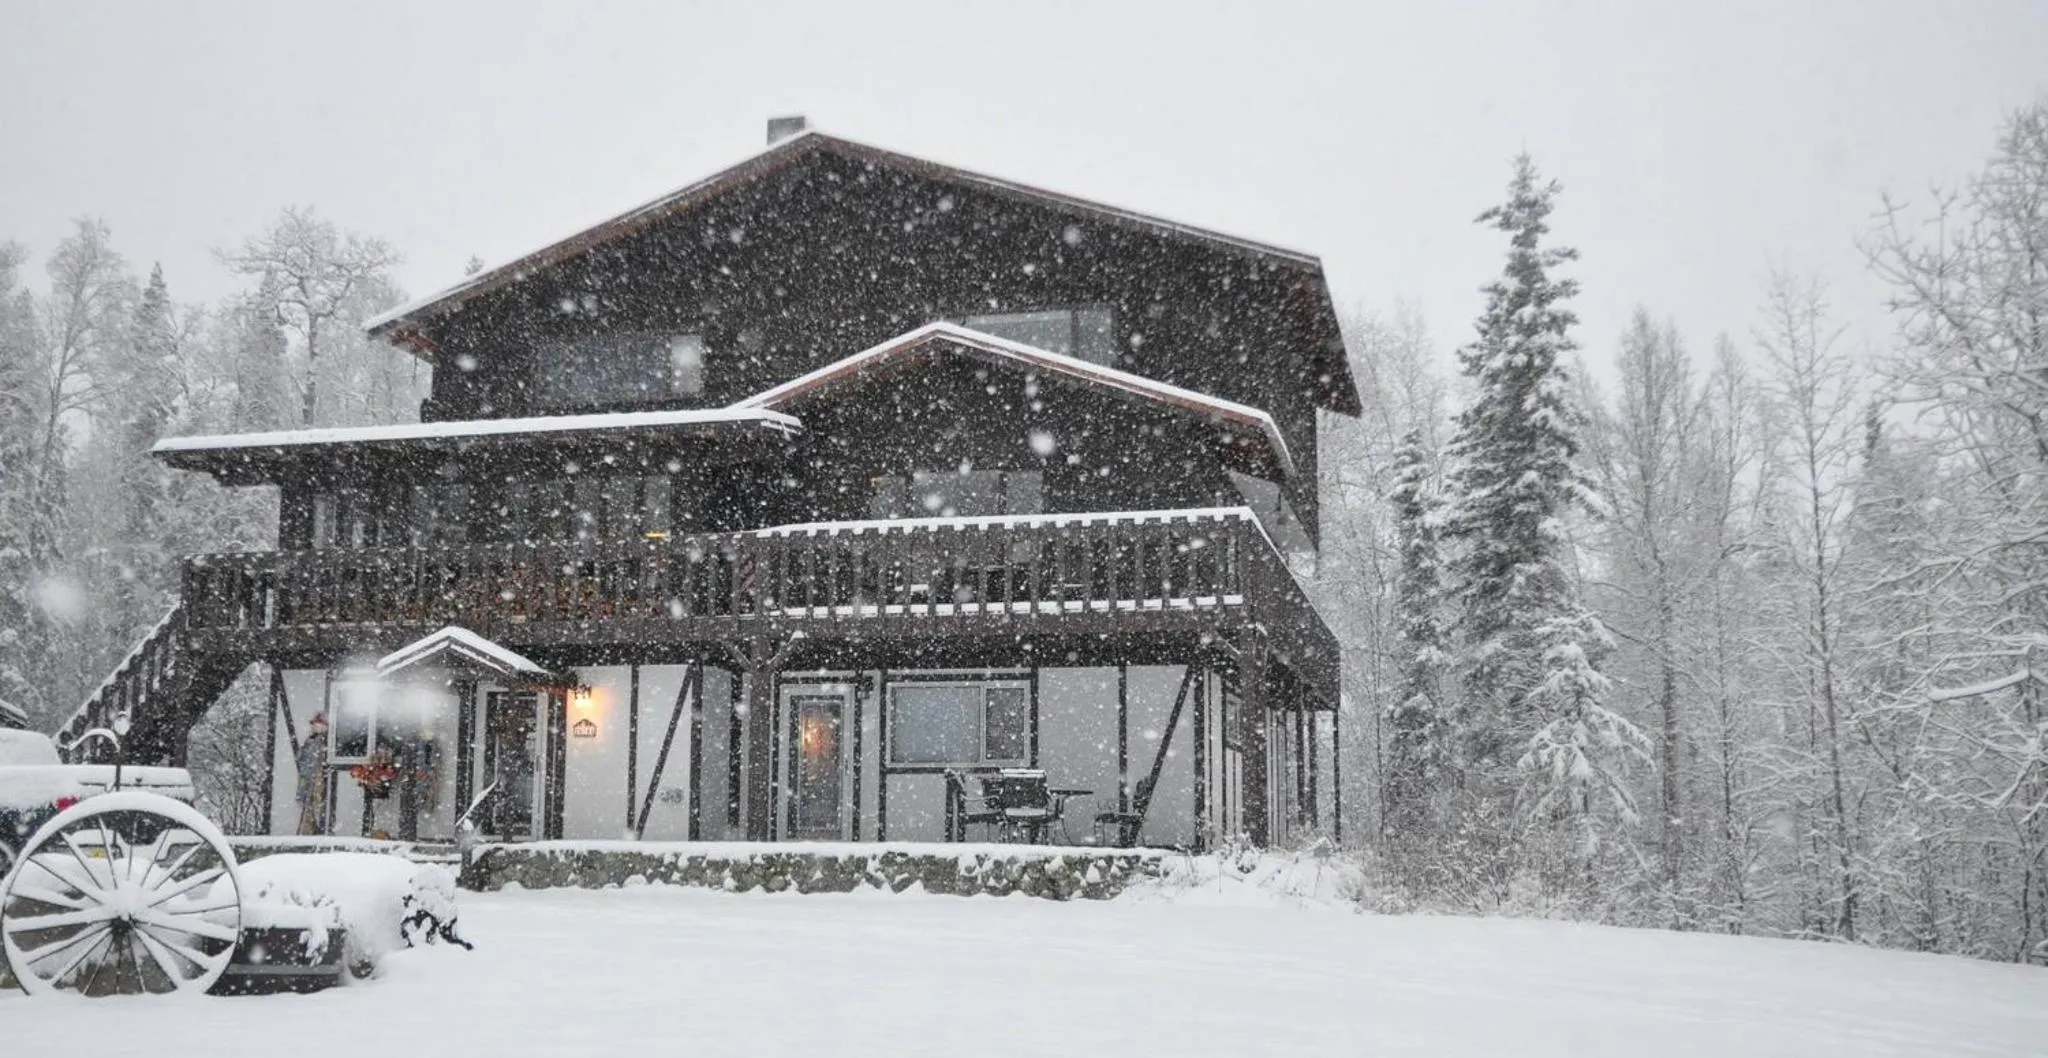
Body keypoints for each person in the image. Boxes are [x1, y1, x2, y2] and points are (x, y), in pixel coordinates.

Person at [296, 713, 330, 835]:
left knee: (318, 803)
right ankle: (308, 830)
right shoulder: (310, 741)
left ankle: (316, 829)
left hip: (318, 775)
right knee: (307, 806)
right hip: (308, 776)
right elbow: (301, 758)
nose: (315, 727)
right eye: (314, 725)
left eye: (318, 724)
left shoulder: (325, 742)